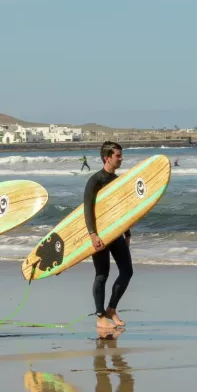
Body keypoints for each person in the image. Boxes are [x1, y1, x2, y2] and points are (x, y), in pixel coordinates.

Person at [85, 141, 131, 329]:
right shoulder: (95, 180)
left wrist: (127, 233)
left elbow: (122, 210)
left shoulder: (118, 181)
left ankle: (111, 309)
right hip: (100, 234)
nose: (121, 158)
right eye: (118, 155)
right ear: (107, 158)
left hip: (116, 233)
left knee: (127, 272)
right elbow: (87, 208)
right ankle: (100, 316)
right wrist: (93, 234)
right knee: (102, 274)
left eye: (121, 155)